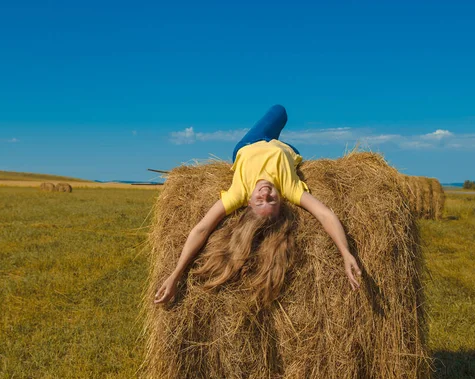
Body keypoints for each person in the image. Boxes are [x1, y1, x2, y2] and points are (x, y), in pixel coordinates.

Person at [154, 105, 361, 304]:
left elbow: (202, 229)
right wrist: (345, 253)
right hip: (286, 149)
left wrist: (176, 273)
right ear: (281, 201)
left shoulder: (239, 193)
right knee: (282, 112)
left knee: (278, 111)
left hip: (250, 143)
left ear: (249, 203)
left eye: (260, 200)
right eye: (271, 200)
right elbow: (325, 215)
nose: (266, 193)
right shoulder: (290, 188)